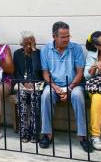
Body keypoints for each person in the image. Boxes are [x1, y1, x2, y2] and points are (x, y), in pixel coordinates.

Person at [39, 21, 92, 153]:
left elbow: (80, 72)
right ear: (54, 37)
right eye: (63, 37)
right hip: (54, 84)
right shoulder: (45, 50)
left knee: (78, 96)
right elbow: (45, 73)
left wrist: (69, 88)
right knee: (46, 95)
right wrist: (55, 87)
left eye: (68, 36)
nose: (67, 39)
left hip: (74, 84)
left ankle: (83, 136)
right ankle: (47, 134)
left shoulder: (76, 48)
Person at [12, 31, 43, 143]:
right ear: (22, 44)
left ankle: (35, 132)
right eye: (27, 44)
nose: (29, 46)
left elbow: (38, 70)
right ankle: (24, 132)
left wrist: (34, 52)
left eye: (31, 43)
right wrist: (24, 82)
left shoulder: (38, 53)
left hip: (36, 84)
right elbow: (15, 73)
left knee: (35, 97)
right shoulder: (17, 54)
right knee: (22, 96)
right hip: (22, 84)